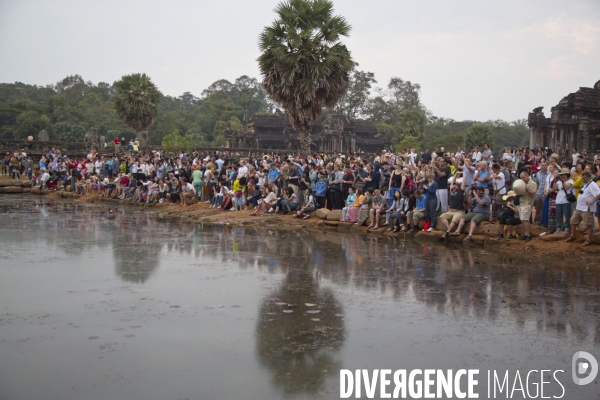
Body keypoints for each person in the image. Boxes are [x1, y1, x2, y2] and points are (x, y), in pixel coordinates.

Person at [565, 172, 600, 246]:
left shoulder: (592, 184)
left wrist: (592, 201)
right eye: (583, 178)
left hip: (587, 208)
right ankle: (573, 235)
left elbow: (598, 194)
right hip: (580, 207)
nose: (583, 180)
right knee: (573, 220)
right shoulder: (585, 184)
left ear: (589, 177)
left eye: (584, 178)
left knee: (588, 224)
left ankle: (589, 239)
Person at [517, 169, 538, 242]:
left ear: (527, 176)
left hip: (528, 203)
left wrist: (526, 188)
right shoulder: (521, 183)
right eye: (521, 177)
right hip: (521, 202)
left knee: (524, 219)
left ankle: (528, 235)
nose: (522, 179)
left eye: (523, 177)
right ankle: (526, 234)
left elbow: (533, 194)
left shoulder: (533, 183)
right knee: (523, 219)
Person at [554, 168, 574, 234]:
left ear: (567, 175)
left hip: (566, 200)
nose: (563, 176)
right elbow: (554, 189)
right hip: (558, 200)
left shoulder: (570, 181)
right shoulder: (559, 181)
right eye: (562, 174)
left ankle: (567, 228)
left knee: (567, 215)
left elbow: (566, 187)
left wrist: (563, 181)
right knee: (558, 215)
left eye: (564, 174)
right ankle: (559, 228)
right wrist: (555, 181)